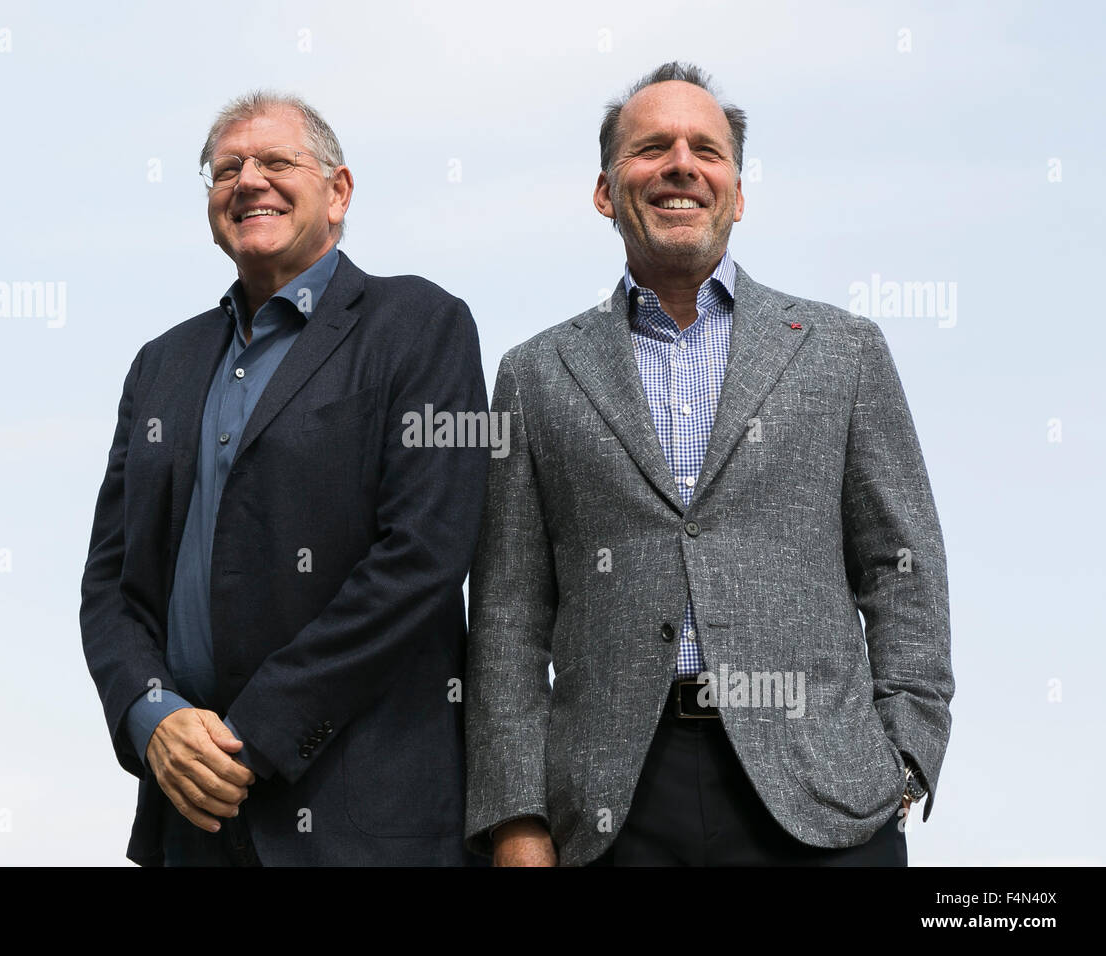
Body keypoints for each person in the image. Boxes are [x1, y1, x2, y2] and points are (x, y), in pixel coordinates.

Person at [464, 62, 953, 866]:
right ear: (604, 190)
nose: (681, 164)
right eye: (650, 147)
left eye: (707, 150)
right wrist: (518, 818)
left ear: (737, 191)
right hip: (613, 809)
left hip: (826, 800)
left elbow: (904, 571)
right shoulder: (535, 372)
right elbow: (509, 616)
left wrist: (904, 760)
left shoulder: (843, 350)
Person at [81, 91, 488, 866]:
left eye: (275, 161)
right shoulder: (159, 365)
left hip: (364, 818)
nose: (248, 180)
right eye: (226, 168)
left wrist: (253, 732)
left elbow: (424, 556)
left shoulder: (421, 325)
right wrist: (152, 714)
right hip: (191, 820)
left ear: (338, 192)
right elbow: (110, 586)